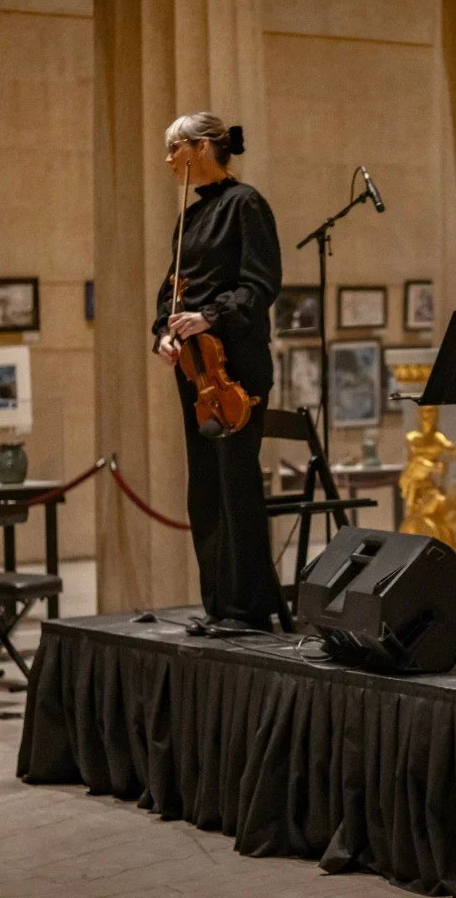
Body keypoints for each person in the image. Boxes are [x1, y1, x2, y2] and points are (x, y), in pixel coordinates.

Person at [151, 112, 283, 631]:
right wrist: (163, 331)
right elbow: (171, 290)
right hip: (193, 367)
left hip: (234, 365)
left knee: (236, 484)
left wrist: (211, 314)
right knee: (205, 486)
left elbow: (261, 283)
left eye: (175, 148)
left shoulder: (245, 204)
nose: (168, 160)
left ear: (203, 148)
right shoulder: (188, 217)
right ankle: (218, 604)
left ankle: (249, 608)